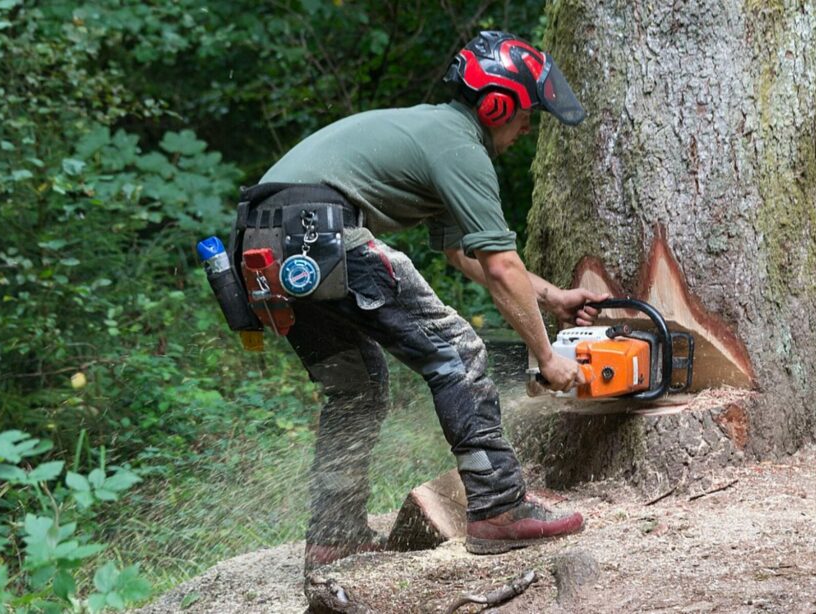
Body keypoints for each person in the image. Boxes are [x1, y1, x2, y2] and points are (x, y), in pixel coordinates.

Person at [234, 31, 607, 571]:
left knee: (357, 388)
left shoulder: (434, 134)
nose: (528, 127)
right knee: (458, 351)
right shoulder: (459, 145)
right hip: (320, 231)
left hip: (260, 242)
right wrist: (548, 358)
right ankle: (499, 508)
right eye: (527, 113)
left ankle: (333, 537)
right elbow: (502, 265)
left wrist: (552, 299)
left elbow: (466, 255)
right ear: (497, 103)